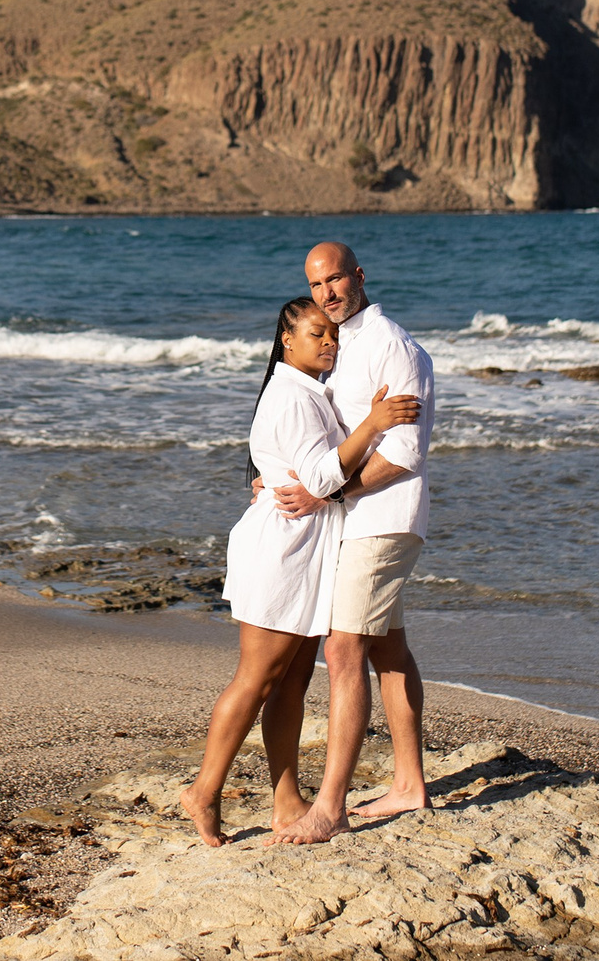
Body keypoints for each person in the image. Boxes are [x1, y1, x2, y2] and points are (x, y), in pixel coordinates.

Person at [179, 297, 420, 847]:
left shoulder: (310, 393)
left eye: (332, 334)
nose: (329, 341)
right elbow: (319, 475)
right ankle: (203, 791)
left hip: (306, 553)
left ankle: (286, 799)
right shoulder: (292, 396)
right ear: (287, 340)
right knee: (258, 678)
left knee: (293, 682)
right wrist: (374, 423)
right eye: (317, 334)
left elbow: (300, 468)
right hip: (282, 554)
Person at [267, 240, 436, 844]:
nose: (327, 294)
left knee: (343, 651)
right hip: (355, 519)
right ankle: (409, 784)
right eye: (316, 286)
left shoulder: (389, 344)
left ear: (359, 275)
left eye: (336, 280)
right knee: (388, 649)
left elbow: (402, 454)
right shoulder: (339, 348)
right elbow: (323, 438)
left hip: (383, 517)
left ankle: (330, 807)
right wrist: (281, 475)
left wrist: (326, 496)